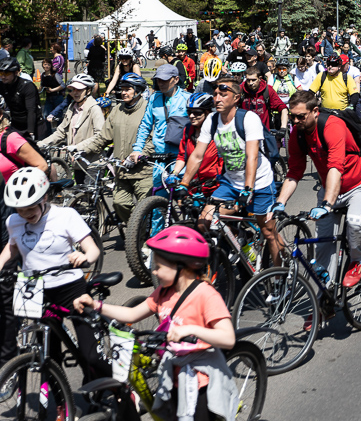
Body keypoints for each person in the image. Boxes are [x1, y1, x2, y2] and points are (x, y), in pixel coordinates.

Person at [73, 225, 238, 421]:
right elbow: (132, 313)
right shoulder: (164, 292)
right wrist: (97, 306)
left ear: (180, 266)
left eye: (158, 266)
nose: (155, 271)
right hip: (172, 374)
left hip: (200, 380)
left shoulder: (205, 294)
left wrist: (191, 329)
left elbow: (228, 338)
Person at [0, 168, 107, 383]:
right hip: (37, 291)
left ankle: (113, 390)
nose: (26, 215)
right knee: (48, 356)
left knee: (91, 355)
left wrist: (83, 256)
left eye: (30, 208)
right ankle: (61, 406)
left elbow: (94, 250)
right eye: (20, 210)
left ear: (45, 197)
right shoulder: (14, 221)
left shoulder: (65, 216)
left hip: (71, 289)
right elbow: (10, 249)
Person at [274, 90, 361, 289]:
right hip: (330, 190)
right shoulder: (297, 133)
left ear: (315, 111)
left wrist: (327, 204)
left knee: (354, 222)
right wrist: (280, 203)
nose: (295, 121)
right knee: (322, 255)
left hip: (356, 187)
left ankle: (356, 261)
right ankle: (322, 304)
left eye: (300, 116)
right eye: (292, 116)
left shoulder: (332, 126)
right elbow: (294, 171)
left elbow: (336, 167)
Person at [178, 74, 281, 266]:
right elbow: (197, 155)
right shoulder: (212, 120)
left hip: (258, 182)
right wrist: (184, 183)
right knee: (204, 222)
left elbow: (252, 156)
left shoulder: (248, 119)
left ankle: (281, 276)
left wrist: (248, 189)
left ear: (236, 98)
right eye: (216, 93)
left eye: (224, 94)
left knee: (268, 232)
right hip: (231, 181)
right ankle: (240, 240)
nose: (217, 98)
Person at [78, 73, 154, 225]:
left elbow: (154, 140)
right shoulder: (117, 110)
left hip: (143, 172)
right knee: (120, 203)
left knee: (147, 208)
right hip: (122, 171)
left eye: (128, 89)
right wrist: (84, 149)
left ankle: (145, 236)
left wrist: (140, 155)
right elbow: (103, 137)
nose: (123, 92)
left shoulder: (149, 110)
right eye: (122, 89)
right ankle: (138, 230)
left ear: (138, 90)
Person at [129, 64, 191, 187]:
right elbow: (145, 126)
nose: (161, 83)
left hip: (181, 159)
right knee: (158, 200)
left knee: (181, 199)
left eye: (165, 80)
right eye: (158, 80)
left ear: (176, 79)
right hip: (160, 159)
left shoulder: (187, 99)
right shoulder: (154, 99)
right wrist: (137, 149)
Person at [38, 74, 104, 182]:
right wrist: (40, 144)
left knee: (87, 196)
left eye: (79, 90)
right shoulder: (71, 108)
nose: (75, 93)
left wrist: (78, 147)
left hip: (93, 163)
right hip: (78, 163)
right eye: (72, 90)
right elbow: (60, 133)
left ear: (88, 90)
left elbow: (100, 136)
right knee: (79, 194)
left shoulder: (94, 109)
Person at [170, 92, 223, 194]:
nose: (191, 116)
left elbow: (223, 160)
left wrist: (218, 177)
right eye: (189, 112)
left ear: (207, 113)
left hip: (213, 187)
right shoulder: (188, 129)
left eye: (197, 113)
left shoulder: (218, 131)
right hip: (192, 185)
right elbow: (182, 156)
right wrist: (174, 173)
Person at [0, 58, 40, 139]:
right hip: (16, 123)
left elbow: (31, 110)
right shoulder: (3, 85)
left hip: (33, 124)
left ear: (16, 73)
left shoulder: (27, 86)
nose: (3, 76)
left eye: (7, 73)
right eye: (1, 73)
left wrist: (31, 133)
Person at [241, 66, 288, 131]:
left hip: (263, 131)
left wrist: (283, 128)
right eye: (248, 80)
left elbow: (283, 108)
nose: (251, 83)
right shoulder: (241, 90)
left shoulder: (268, 90)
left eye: (254, 80)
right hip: (244, 130)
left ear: (260, 78)